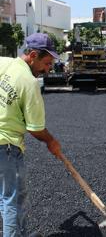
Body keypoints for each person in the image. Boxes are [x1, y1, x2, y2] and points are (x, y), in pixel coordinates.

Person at [0, 33, 62, 237]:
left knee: (9, 195)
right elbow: (35, 128)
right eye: (46, 63)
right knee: (14, 199)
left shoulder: (5, 63)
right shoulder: (29, 82)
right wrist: (51, 141)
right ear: (33, 55)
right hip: (6, 147)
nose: (48, 69)